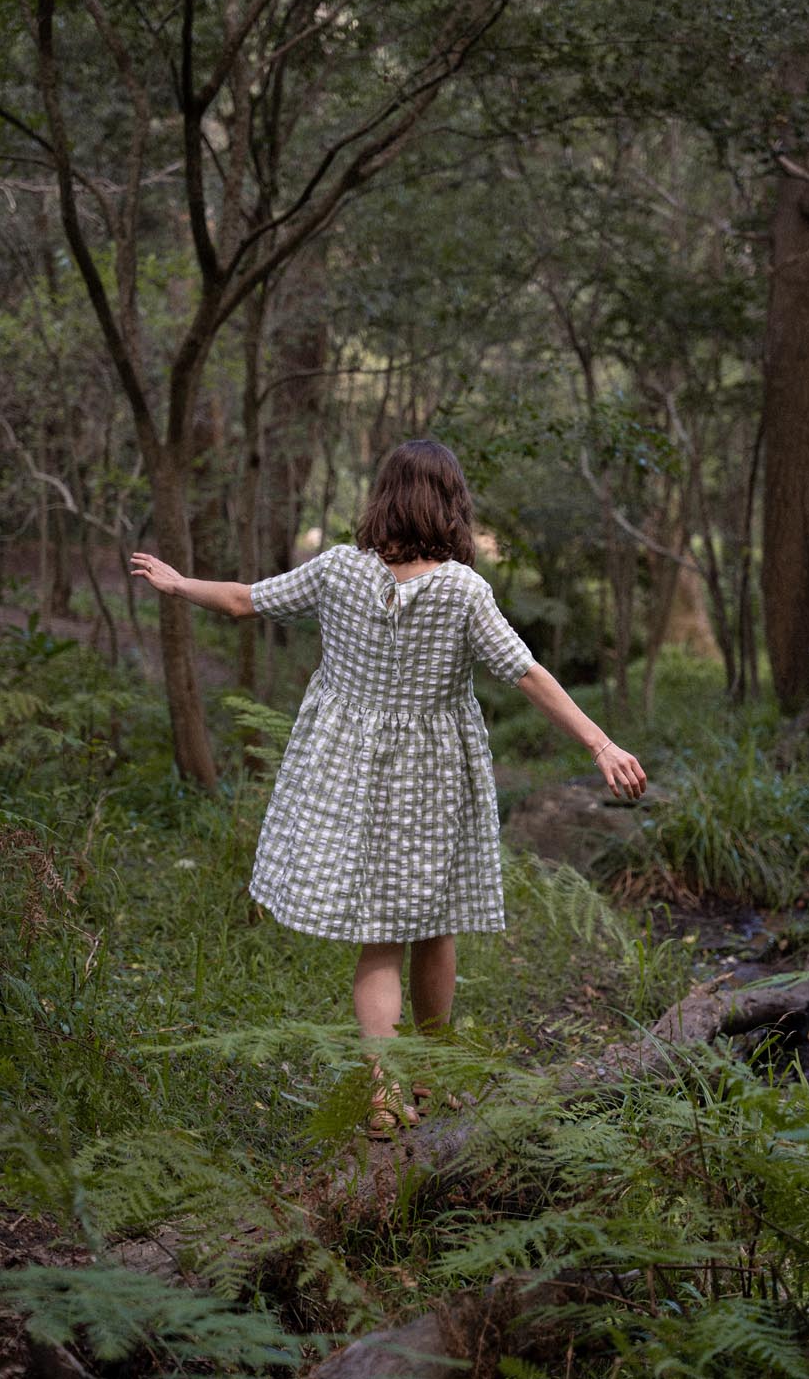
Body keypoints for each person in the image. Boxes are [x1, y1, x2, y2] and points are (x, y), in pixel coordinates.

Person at [131, 439, 646, 1134]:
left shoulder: (339, 570)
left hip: (351, 778)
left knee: (378, 938)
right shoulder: (462, 590)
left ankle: (385, 1091)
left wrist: (179, 584)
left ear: (384, 499)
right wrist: (600, 742)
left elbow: (244, 601)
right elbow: (525, 673)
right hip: (434, 781)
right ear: (452, 505)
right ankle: (434, 1074)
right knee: (435, 925)